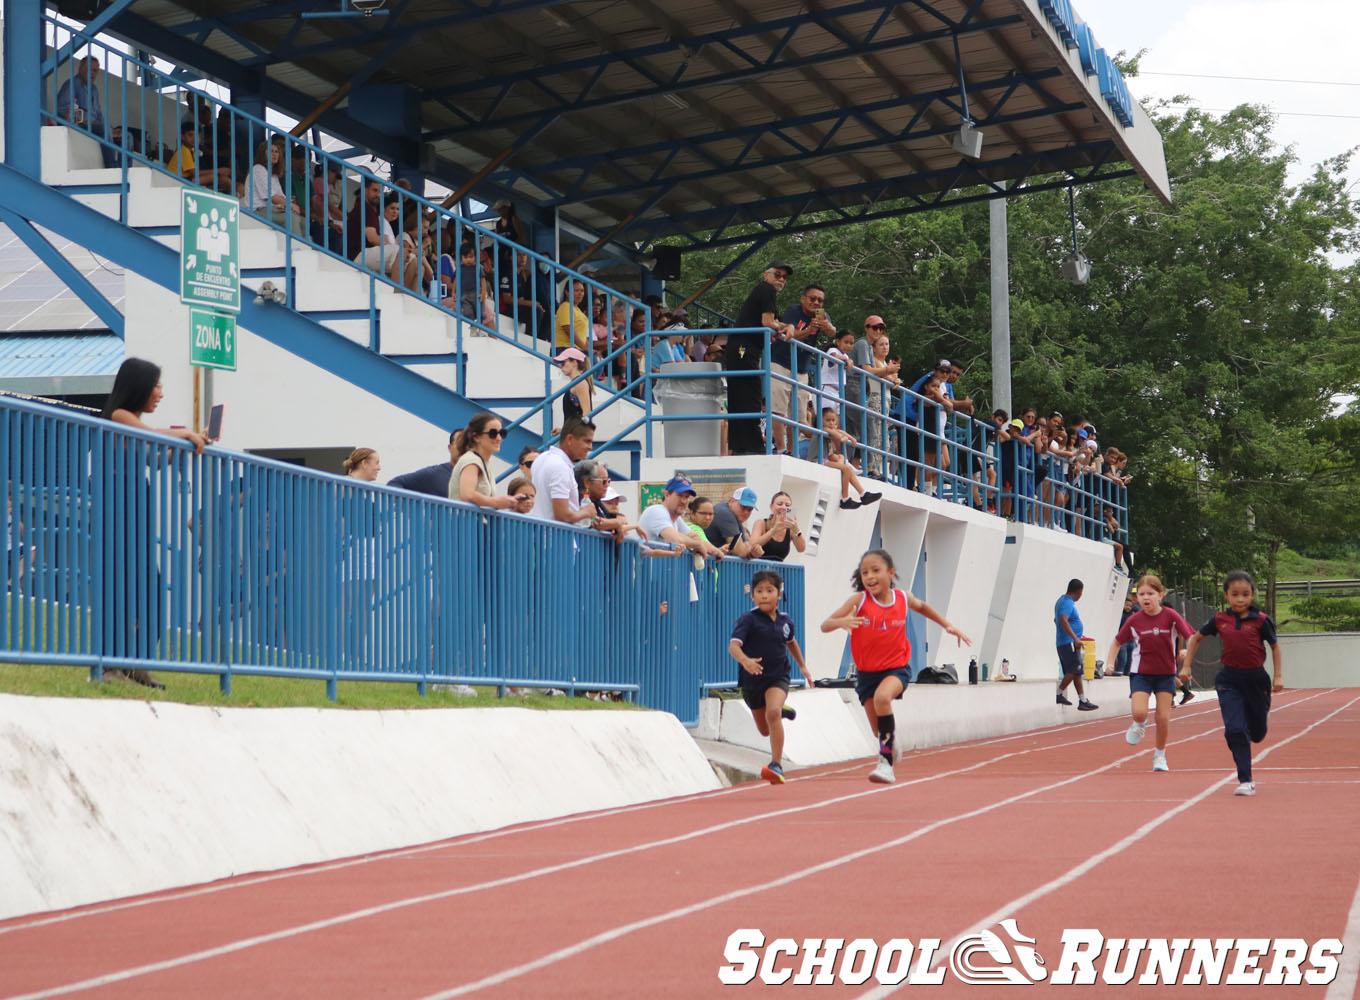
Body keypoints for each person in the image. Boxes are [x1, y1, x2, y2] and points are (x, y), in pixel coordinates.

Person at [99, 358, 208, 691]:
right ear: (139, 387)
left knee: (149, 585)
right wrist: (182, 433)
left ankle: (136, 662)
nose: (160, 393)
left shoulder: (132, 421)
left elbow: (154, 459)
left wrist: (187, 445)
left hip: (134, 505)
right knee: (125, 584)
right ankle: (113, 663)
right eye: (156, 386)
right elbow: (150, 437)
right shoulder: (119, 416)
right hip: (119, 507)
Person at [821, 548, 972, 784]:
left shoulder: (902, 598)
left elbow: (922, 607)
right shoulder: (858, 601)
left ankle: (885, 764)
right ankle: (890, 745)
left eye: (875, 571)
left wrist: (947, 625)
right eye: (864, 573)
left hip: (896, 669)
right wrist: (841, 622)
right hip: (866, 673)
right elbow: (825, 625)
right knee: (877, 730)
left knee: (883, 698)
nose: (869, 577)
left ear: (891, 573)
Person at [1182, 571, 1284, 797]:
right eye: (1235, 594)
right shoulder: (1219, 619)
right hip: (1229, 680)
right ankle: (1245, 779)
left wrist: (1278, 676)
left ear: (1252, 595)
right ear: (1226, 595)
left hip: (1257, 680)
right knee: (1235, 729)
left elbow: (1275, 647)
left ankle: (1251, 732)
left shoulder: (1261, 620)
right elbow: (1196, 638)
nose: (1240, 599)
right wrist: (1186, 666)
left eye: (1245, 594)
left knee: (1256, 733)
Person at [729, 569, 814, 784]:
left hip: (778, 676)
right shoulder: (748, 620)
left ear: (779, 594)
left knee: (773, 712)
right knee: (765, 729)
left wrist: (803, 667)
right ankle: (777, 710)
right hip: (752, 681)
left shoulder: (786, 621)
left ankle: (776, 765)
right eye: (759, 591)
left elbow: (791, 642)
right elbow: (733, 646)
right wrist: (746, 661)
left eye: (769, 590)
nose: (764, 595)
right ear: (752, 596)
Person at [1104, 575, 1194, 772]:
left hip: (1165, 674)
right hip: (1141, 673)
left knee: (1162, 717)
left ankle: (1160, 756)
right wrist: (1110, 663)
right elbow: (1117, 642)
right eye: (1141, 594)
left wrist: (1186, 655)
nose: (1146, 598)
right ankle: (1139, 723)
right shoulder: (1134, 620)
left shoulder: (1170, 616)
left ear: (1160, 595)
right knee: (1139, 712)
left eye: (1150, 594)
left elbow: (1192, 637)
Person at [727, 262, 795, 455]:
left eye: (784, 277)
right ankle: (752, 445)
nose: (781, 279)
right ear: (766, 275)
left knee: (741, 394)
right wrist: (785, 327)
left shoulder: (764, 293)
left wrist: (786, 326)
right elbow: (768, 322)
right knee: (749, 393)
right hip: (744, 347)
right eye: (777, 275)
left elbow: (772, 323)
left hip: (743, 347)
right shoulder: (766, 289)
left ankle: (740, 445)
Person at [772, 284, 835, 455]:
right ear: (803, 299)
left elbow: (832, 333)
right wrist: (810, 331)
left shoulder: (821, 315)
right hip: (780, 362)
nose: (816, 303)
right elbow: (787, 335)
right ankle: (780, 448)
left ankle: (793, 452)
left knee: (798, 415)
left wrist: (828, 327)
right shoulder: (794, 311)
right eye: (812, 298)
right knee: (777, 408)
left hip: (801, 369)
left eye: (820, 300)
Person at [530, 418, 599, 525]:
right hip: (557, 539)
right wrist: (587, 512)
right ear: (570, 439)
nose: (590, 447)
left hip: (540, 535)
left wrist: (580, 512)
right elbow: (562, 516)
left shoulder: (541, 458)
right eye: (586, 441)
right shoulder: (560, 467)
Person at [447, 413, 522, 511]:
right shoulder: (471, 461)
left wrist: (510, 501)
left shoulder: (483, 462)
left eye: (502, 433)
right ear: (476, 437)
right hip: (466, 524)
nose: (499, 438)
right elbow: (467, 494)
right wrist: (497, 502)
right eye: (493, 434)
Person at [639, 477, 720, 557]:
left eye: (687, 497)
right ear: (666, 494)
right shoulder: (657, 511)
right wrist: (697, 545)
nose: (683, 501)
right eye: (679, 495)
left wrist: (714, 550)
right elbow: (674, 539)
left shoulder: (676, 519)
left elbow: (694, 537)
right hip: (644, 569)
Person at [820, 408, 880, 510]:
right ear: (821, 421)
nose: (831, 423)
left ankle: (863, 494)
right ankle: (845, 499)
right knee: (847, 469)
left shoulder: (830, 432)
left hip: (825, 458)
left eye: (833, 420)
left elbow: (840, 432)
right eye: (828, 420)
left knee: (842, 458)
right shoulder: (825, 430)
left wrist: (852, 438)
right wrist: (847, 438)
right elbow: (840, 437)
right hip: (817, 460)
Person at [1054, 578, 1098, 711]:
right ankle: (1059, 693)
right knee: (1073, 670)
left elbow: (1056, 620)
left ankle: (1082, 700)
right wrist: (1075, 638)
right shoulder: (1068, 602)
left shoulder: (1061, 601)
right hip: (1069, 643)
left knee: (1077, 671)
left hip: (1067, 641)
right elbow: (1063, 620)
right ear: (1079, 592)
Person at [246, 139, 306, 235]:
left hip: (272, 209)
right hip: (258, 211)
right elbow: (271, 196)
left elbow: (280, 195)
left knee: (304, 222)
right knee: (291, 218)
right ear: (263, 153)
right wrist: (291, 205)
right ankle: (296, 248)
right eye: (271, 151)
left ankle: (304, 248)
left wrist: (289, 204)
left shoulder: (273, 175)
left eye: (277, 152)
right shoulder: (258, 169)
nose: (274, 154)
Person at [749, 491, 806, 563]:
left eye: (787, 505)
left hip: (777, 572)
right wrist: (773, 530)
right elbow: (752, 545)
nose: (784, 507)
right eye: (779, 504)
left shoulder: (790, 529)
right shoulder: (761, 523)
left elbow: (801, 549)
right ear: (771, 507)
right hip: (758, 569)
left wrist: (797, 530)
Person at [705, 487, 760, 558]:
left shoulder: (736, 517)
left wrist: (750, 551)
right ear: (731, 501)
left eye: (750, 509)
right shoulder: (725, 514)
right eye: (743, 507)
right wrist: (749, 550)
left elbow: (746, 545)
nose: (746, 512)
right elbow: (740, 551)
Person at [555, 347, 593, 426]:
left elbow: (587, 413)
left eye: (563, 363)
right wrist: (563, 431)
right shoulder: (577, 382)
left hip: (577, 435)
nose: (560, 367)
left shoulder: (580, 383)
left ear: (574, 363)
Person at [556, 280, 590, 352]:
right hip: (565, 348)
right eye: (576, 290)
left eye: (582, 291)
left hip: (577, 349)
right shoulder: (566, 306)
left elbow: (583, 335)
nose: (580, 293)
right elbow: (568, 330)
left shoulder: (579, 311)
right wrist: (584, 347)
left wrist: (589, 348)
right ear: (567, 292)